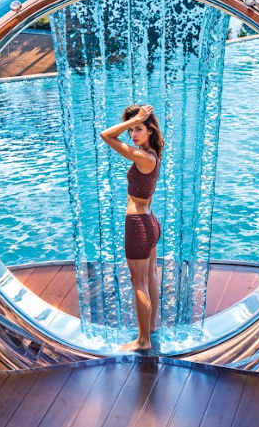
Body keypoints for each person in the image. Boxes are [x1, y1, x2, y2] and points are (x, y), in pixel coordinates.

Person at [100, 103, 163, 352]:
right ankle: (152, 327)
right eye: (131, 130)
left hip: (138, 224)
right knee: (150, 276)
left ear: (150, 131)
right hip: (150, 222)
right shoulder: (153, 155)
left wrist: (132, 120)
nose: (133, 134)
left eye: (138, 129)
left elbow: (106, 135)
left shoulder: (142, 157)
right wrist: (136, 121)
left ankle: (143, 340)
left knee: (139, 282)